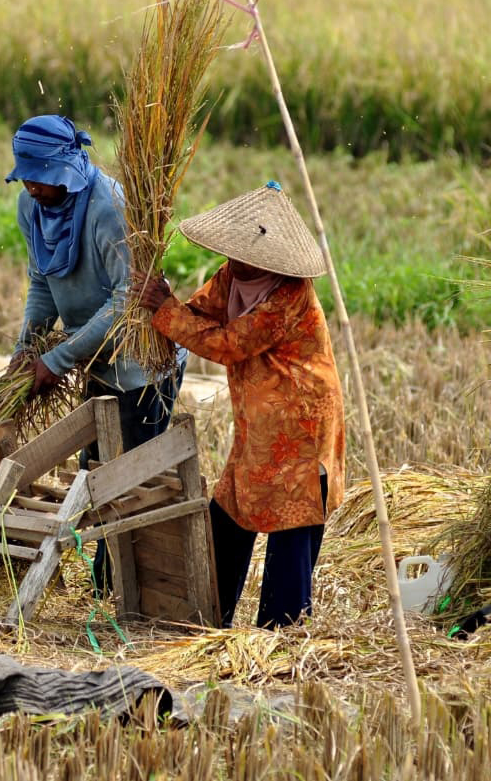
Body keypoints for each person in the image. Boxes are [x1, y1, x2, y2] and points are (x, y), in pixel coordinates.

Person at [131, 181, 344, 629]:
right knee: (229, 507)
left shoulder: (289, 295)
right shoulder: (232, 276)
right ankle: (208, 615)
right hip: (257, 422)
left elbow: (229, 344)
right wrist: (166, 304)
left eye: (252, 259)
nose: (240, 265)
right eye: (236, 255)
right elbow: (202, 312)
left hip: (300, 421)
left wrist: (167, 313)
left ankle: (280, 632)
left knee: (293, 517)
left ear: (274, 260)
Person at [4, 114, 185, 591]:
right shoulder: (32, 206)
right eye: (25, 175)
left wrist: (58, 360)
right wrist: (29, 348)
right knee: (95, 468)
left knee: (129, 480)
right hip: (95, 357)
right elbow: (42, 280)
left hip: (141, 365)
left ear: (63, 169)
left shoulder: (111, 209)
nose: (31, 186)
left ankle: (128, 591)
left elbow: (127, 300)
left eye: (39, 176)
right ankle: (105, 585)